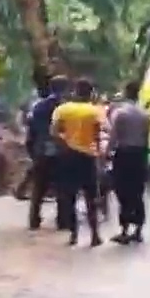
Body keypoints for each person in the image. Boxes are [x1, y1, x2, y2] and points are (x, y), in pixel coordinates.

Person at [51, 78, 105, 247]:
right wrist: (99, 157)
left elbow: (53, 132)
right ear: (91, 93)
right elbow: (97, 136)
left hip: (68, 156)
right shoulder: (95, 111)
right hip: (88, 157)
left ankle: (73, 235)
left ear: (75, 91)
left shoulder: (62, 110)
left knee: (69, 196)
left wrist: (65, 144)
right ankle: (95, 235)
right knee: (91, 198)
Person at [108, 80, 150, 244]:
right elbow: (147, 138)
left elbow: (114, 137)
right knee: (138, 192)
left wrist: (107, 153)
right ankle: (138, 230)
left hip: (124, 154)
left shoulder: (120, 113)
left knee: (123, 191)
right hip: (139, 155)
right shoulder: (145, 115)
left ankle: (124, 230)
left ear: (126, 93)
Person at [25, 76, 68, 230]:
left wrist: (31, 149)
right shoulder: (66, 107)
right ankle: (63, 221)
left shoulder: (38, 107)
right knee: (63, 187)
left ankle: (34, 220)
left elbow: (31, 131)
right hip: (61, 151)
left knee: (39, 188)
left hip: (41, 150)